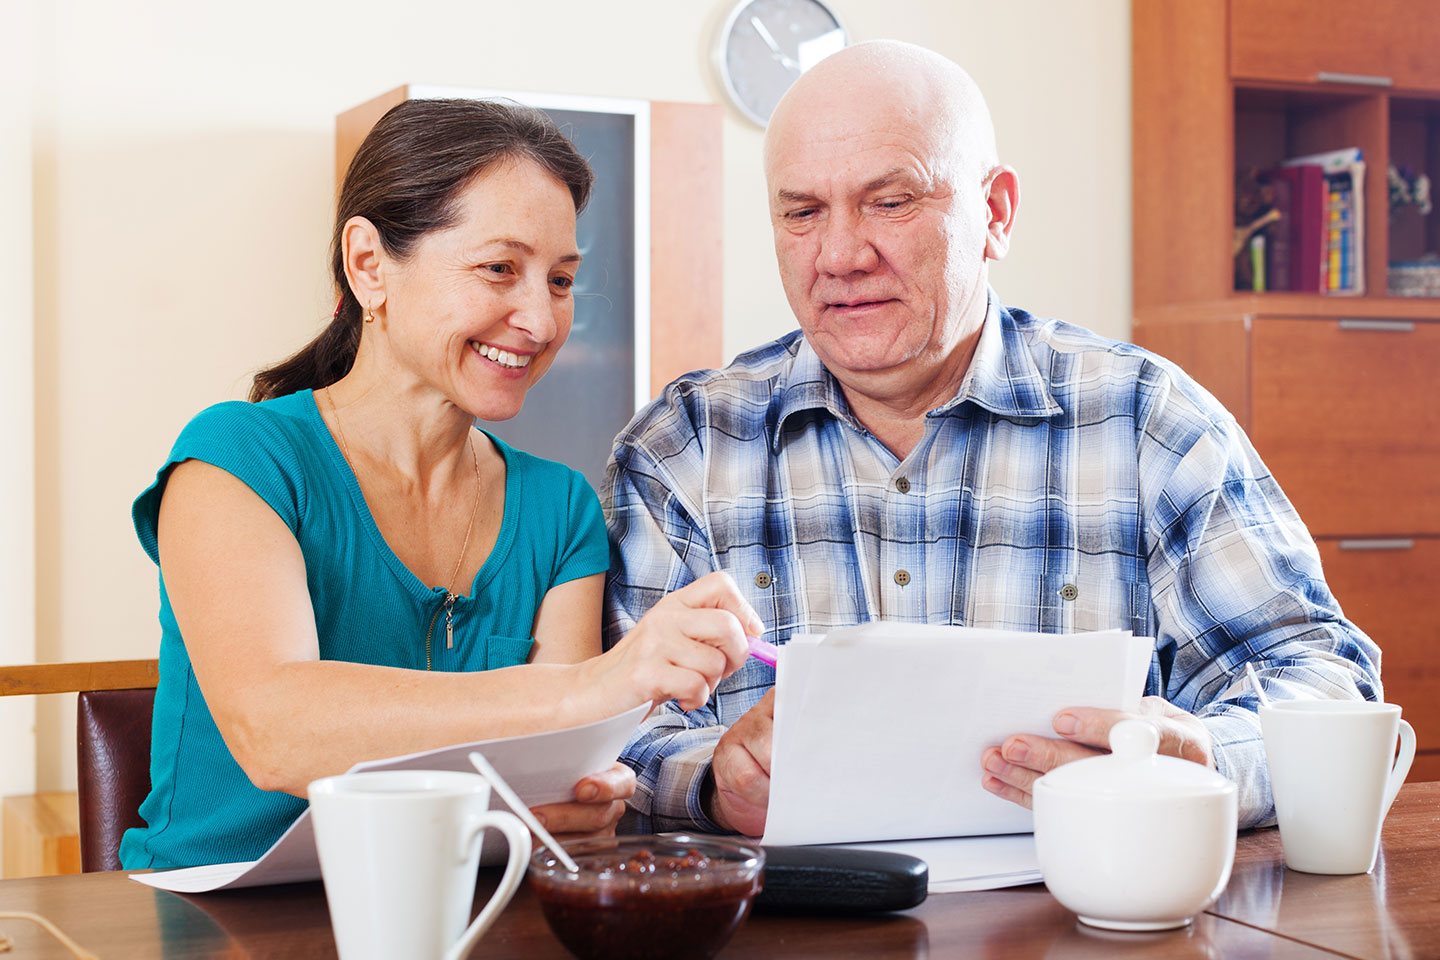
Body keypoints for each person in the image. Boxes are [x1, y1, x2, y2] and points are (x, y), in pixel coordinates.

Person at [604, 40, 1381, 837]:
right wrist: (707, 781)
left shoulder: (1147, 423)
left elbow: (1326, 684)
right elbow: (613, 731)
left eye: (891, 201)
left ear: (996, 214)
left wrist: (1202, 758)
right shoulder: (682, 451)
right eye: (802, 212)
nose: (838, 255)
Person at [121, 99, 762, 870]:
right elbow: (276, 732)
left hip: (459, 907)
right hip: (225, 918)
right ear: (369, 266)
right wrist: (595, 686)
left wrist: (581, 802)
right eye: (500, 268)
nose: (540, 317)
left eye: (560, 280)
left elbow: (556, 780)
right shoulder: (239, 458)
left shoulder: (558, 512)